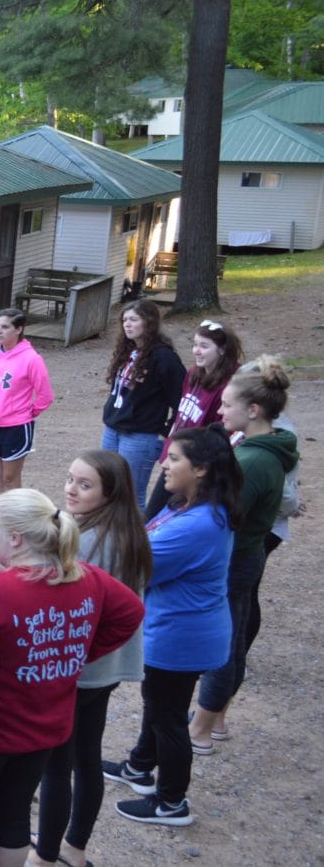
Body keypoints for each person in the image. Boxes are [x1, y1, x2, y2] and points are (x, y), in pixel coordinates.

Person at [0, 489, 143, 867]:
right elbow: (131, 610)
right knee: (13, 815)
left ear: (14, 539)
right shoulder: (86, 577)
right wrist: (78, 655)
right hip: (48, 725)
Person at [104, 425, 240, 828]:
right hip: (176, 629)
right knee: (160, 704)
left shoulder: (197, 524)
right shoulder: (187, 505)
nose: (164, 463)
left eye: (175, 458)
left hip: (181, 637)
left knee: (168, 716)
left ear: (200, 469)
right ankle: (140, 766)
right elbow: (145, 538)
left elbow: (136, 564)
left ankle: (171, 802)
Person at [25, 451, 149, 867]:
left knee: (57, 766)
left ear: (109, 493)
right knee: (87, 757)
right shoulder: (129, 532)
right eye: (69, 479)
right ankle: (75, 849)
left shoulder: (90, 541)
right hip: (108, 667)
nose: (70, 490)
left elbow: (62, 600)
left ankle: (44, 860)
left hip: (79, 668)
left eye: (84, 484)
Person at [188, 358, 297, 754]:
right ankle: (213, 720)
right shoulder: (260, 447)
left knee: (223, 643)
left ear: (253, 411)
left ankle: (200, 729)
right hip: (245, 554)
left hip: (235, 558)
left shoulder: (252, 460)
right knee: (230, 636)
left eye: (228, 404)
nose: (219, 410)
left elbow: (222, 518)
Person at [143, 319, 243, 517]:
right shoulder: (192, 374)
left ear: (222, 350)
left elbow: (222, 433)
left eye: (204, 346)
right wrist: (167, 452)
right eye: (195, 344)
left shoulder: (229, 385)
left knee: (173, 514)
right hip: (176, 456)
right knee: (153, 515)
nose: (196, 351)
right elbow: (181, 416)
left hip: (195, 465)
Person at [100, 299, 185, 507]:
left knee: (130, 492)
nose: (127, 324)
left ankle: (135, 538)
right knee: (108, 485)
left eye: (133, 319)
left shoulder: (164, 357)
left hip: (139, 435)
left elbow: (180, 397)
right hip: (113, 429)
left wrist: (165, 429)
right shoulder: (128, 351)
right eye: (124, 320)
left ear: (148, 322)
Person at [0, 308, 53, 500]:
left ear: (19, 329)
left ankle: (15, 526)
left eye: (5, 327)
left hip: (16, 427)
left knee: (10, 479)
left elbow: (45, 395)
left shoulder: (32, 359)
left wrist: (24, 412)